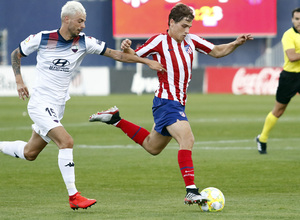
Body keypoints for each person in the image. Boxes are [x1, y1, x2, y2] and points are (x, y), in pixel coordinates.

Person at [0, 1, 165, 210]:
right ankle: (74, 197)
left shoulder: (85, 42)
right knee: (66, 141)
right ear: (66, 19)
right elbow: (16, 53)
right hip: (40, 104)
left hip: (57, 107)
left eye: (84, 21)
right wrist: (19, 80)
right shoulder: (43, 38)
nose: (83, 25)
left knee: (30, 153)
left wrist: (146, 61)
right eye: (80, 21)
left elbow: (117, 55)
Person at [89, 3, 253, 206]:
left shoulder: (191, 40)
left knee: (152, 147)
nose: (187, 31)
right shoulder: (159, 40)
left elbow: (217, 51)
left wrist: (236, 43)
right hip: (166, 102)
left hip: (177, 104)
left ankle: (115, 119)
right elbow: (131, 56)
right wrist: (138, 55)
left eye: (189, 27)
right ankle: (191, 190)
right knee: (188, 139)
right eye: (184, 26)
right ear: (172, 22)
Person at [256, 8, 300, 154]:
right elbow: (292, 56)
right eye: (296, 19)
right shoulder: (288, 35)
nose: (298, 22)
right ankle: (262, 138)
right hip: (290, 77)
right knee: (279, 111)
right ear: (292, 20)